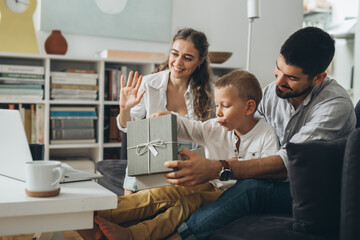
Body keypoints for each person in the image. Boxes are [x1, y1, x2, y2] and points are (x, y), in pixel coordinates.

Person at [162, 27, 356, 239]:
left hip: (314, 193)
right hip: (274, 179)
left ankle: (179, 236)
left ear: (318, 77)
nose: (278, 82)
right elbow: (244, 124)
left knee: (251, 188)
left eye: (291, 77)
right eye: (277, 69)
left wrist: (219, 168)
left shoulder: (334, 105)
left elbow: (287, 164)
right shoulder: (273, 92)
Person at [93, 70, 280, 240]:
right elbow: (190, 127)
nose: (219, 112)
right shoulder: (215, 127)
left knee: (188, 203)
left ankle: (133, 235)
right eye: (217, 105)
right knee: (162, 192)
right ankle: (99, 214)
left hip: (234, 196)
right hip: (210, 184)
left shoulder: (266, 134)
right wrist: (169, 117)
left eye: (226, 105)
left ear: (249, 108)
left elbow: (266, 175)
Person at [117, 28, 214, 195]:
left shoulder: (209, 93)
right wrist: (125, 110)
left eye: (187, 58)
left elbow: (212, 135)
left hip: (187, 162)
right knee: (132, 185)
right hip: (152, 156)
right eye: (174, 54)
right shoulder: (148, 83)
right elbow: (127, 127)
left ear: (200, 61)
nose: (178, 62)